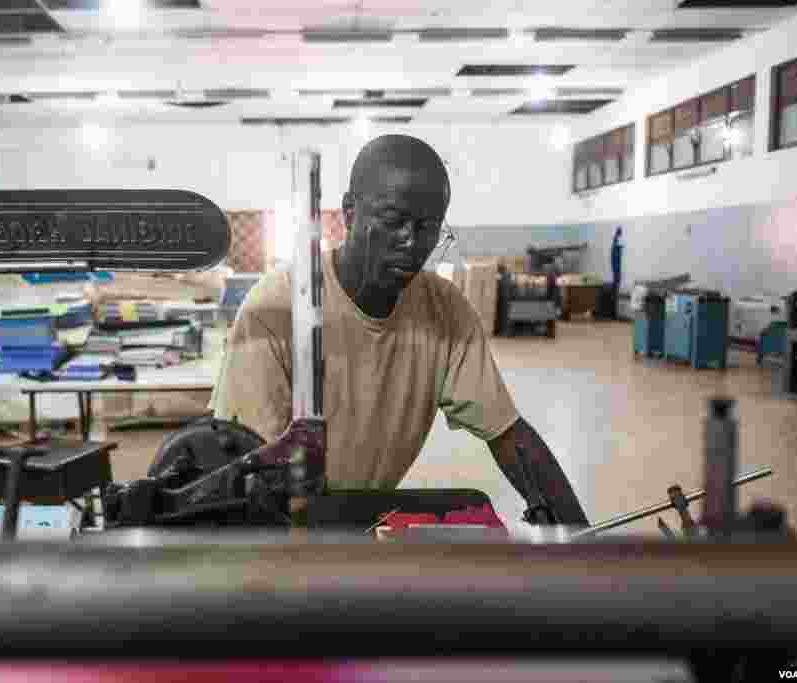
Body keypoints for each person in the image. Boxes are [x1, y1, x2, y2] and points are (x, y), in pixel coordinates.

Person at [208, 134, 588, 526]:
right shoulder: (275, 309)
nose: (410, 242)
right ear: (349, 213)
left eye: (428, 227)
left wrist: (580, 538)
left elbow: (509, 435)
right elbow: (247, 472)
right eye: (392, 222)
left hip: (359, 518)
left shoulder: (444, 311)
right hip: (272, 527)